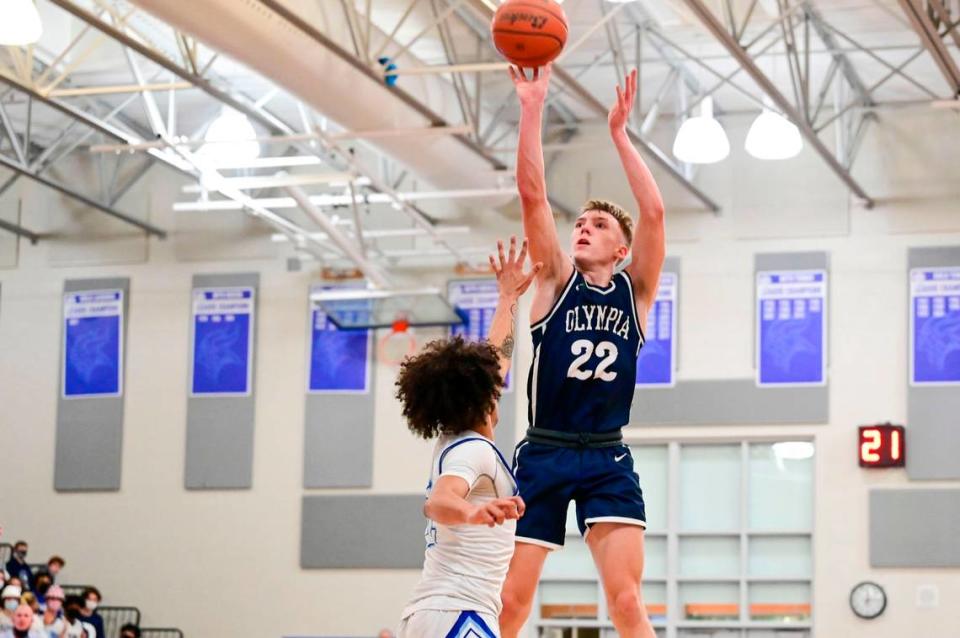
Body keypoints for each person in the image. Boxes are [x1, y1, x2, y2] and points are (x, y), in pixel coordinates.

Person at [499, 64, 665, 638]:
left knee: (626, 601)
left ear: (622, 249)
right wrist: (532, 105)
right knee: (512, 605)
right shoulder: (553, 282)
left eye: (598, 225)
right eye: (581, 223)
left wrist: (620, 134)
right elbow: (532, 193)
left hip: (606, 458)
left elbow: (656, 214)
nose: (584, 229)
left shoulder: (635, 292)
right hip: (543, 453)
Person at [396, 237, 541, 638]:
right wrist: (473, 513)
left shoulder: (453, 442)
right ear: (484, 401)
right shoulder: (475, 451)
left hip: (437, 611)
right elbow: (439, 501)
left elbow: (496, 355)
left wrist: (508, 298)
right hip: (458, 611)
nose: (499, 385)